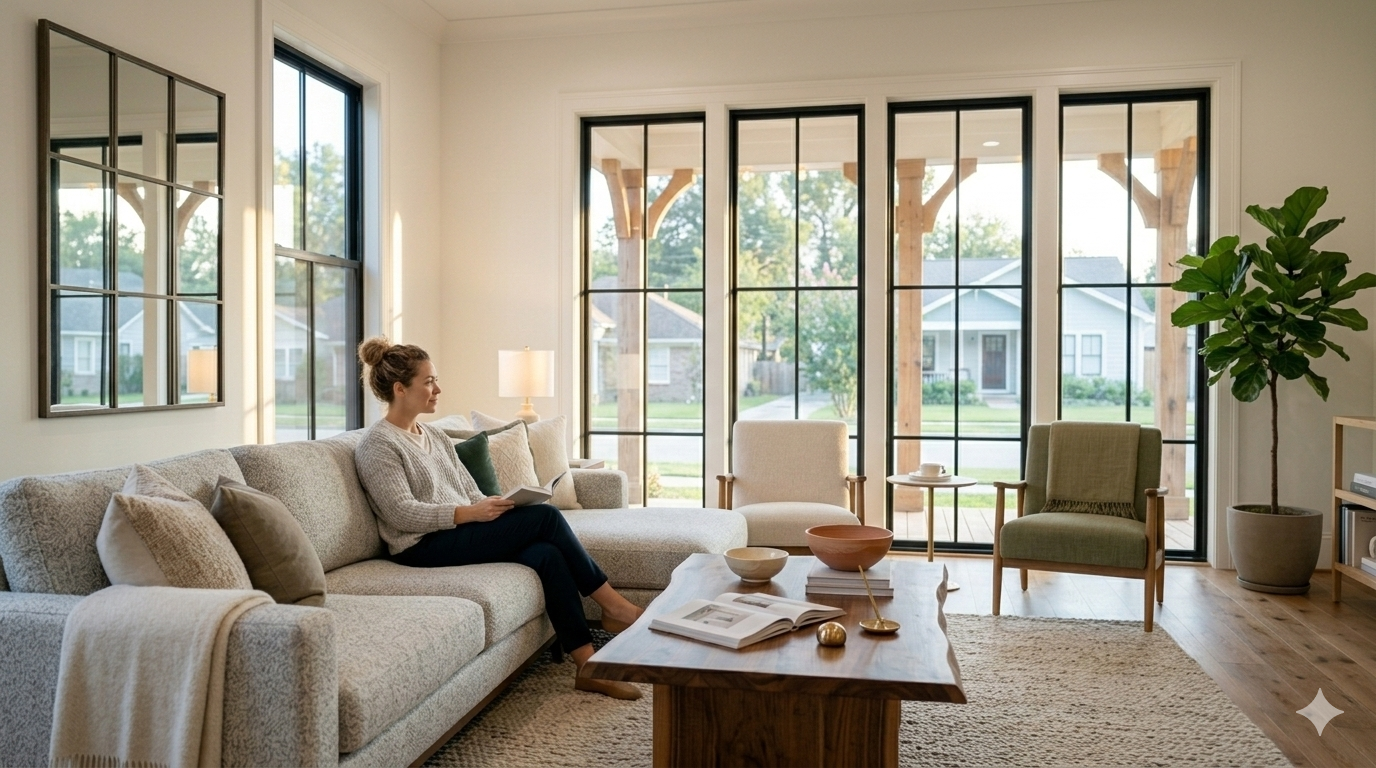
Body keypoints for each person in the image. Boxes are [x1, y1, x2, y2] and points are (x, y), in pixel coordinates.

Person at [352, 336, 644, 700]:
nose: (437, 389)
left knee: (547, 556)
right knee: (547, 519)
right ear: (400, 388)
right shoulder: (377, 445)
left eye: (435, 379)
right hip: (419, 545)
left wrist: (492, 504)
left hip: (456, 529)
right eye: (428, 382)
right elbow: (402, 512)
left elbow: (465, 487)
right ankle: (615, 606)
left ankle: (587, 665)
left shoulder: (434, 435)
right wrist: (470, 513)